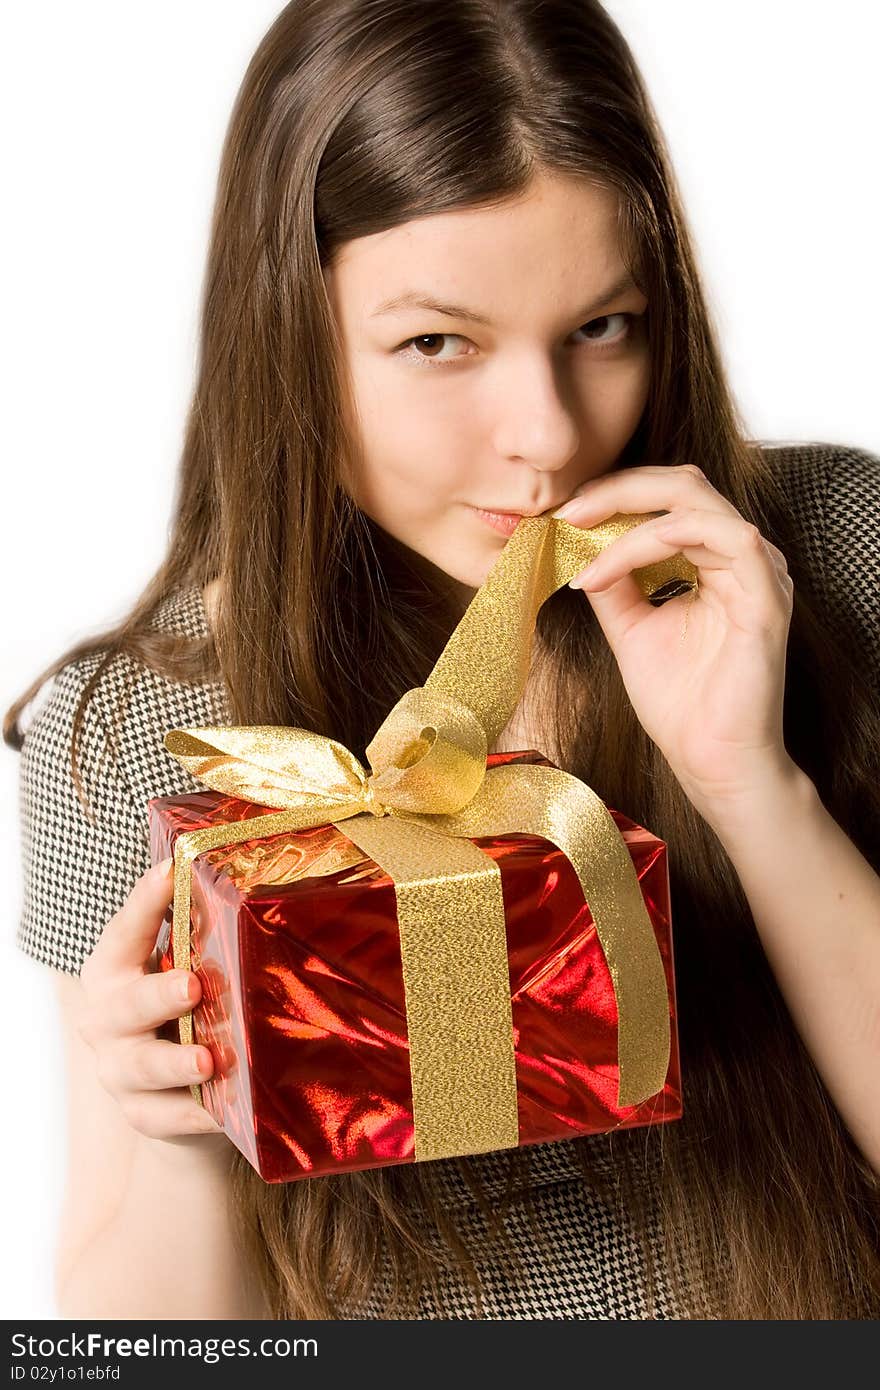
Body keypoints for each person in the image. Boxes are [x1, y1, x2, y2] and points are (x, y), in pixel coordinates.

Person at [6, 0, 880, 1321]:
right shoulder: (136, 731)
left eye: (604, 326)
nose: (545, 434)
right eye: (437, 343)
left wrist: (754, 786)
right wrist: (178, 1126)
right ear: (290, 331)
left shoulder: (821, 550)